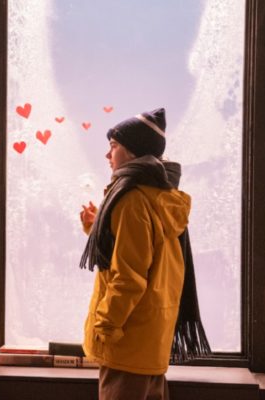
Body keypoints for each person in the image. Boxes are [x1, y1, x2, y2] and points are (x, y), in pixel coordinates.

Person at [78, 108, 208, 400]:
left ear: (133, 151)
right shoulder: (159, 195)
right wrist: (96, 227)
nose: (107, 155)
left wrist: (106, 324)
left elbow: (130, 276)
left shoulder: (132, 200)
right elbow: (147, 254)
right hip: (150, 337)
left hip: (128, 341)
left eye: (113, 146)